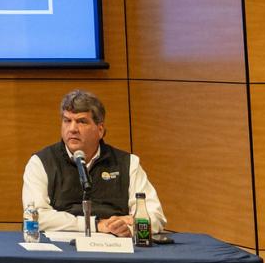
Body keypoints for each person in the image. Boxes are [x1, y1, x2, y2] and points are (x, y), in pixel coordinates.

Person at [22, 89, 166, 237]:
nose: (72, 129)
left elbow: (155, 216)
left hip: (116, 247)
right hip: (62, 249)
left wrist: (127, 229)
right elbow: (35, 216)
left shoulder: (127, 163)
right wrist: (96, 224)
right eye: (67, 121)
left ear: (100, 129)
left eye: (81, 121)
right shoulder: (41, 162)